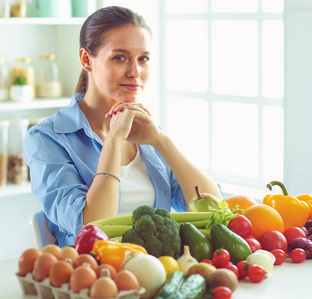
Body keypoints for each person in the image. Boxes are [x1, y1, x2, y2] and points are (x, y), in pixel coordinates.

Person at [23, 6, 222, 247]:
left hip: (161, 271)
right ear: (87, 60)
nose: (135, 71)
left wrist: (162, 141)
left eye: (143, 59)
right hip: (96, 275)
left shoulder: (148, 133)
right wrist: (113, 141)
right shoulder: (46, 139)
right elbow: (92, 228)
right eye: (120, 57)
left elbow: (214, 211)